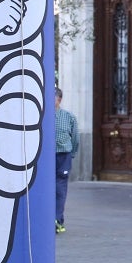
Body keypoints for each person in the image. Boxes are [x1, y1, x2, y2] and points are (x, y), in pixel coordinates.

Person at [54, 87, 79, 234]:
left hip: (63, 156)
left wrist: (72, 153)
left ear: (59, 100)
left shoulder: (69, 117)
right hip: (48, 158)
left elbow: (75, 137)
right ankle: (51, 219)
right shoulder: (43, 117)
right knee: (49, 188)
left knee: (60, 188)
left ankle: (58, 220)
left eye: (53, 98)